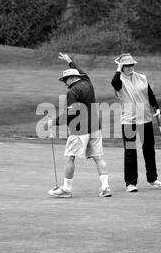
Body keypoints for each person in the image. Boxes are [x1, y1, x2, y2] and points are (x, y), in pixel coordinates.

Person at [47, 52, 112, 198]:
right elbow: (81, 72)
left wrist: (54, 122)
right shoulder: (88, 82)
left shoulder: (72, 91)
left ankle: (66, 190)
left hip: (80, 129)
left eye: (65, 80)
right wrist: (69, 61)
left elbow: (71, 113)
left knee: (70, 157)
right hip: (95, 126)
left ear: (71, 79)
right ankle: (106, 188)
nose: (65, 83)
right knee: (98, 157)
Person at [111, 53, 161, 192]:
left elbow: (150, 94)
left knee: (149, 150)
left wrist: (157, 107)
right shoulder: (119, 79)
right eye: (126, 65)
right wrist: (118, 68)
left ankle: (152, 179)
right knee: (130, 151)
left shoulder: (142, 77)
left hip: (145, 117)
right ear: (122, 66)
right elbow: (114, 83)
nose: (129, 67)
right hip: (129, 120)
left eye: (131, 64)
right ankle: (131, 183)